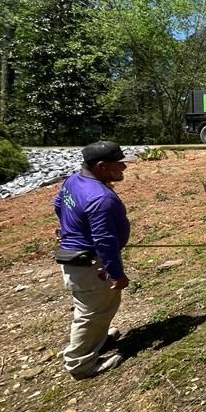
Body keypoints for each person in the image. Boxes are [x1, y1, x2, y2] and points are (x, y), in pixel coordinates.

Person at [53, 140, 135, 379]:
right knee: (91, 312)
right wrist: (115, 273)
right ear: (101, 166)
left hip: (80, 258)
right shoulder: (100, 198)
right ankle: (80, 364)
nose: (123, 168)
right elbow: (104, 240)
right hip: (90, 264)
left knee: (100, 307)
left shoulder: (73, 181)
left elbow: (58, 203)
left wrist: (70, 227)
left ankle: (97, 341)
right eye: (118, 164)